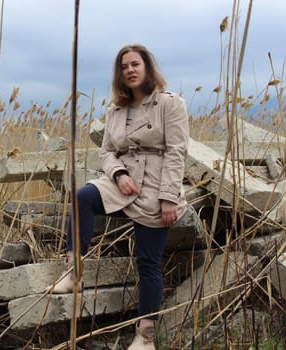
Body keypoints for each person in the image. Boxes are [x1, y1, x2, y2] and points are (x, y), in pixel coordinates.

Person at [46, 44, 189, 350]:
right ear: (119, 75)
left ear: (147, 68)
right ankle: (75, 272)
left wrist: (168, 197)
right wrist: (118, 175)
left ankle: (145, 337)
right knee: (82, 197)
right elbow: (107, 152)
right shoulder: (115, 110)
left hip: (155, 183)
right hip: (122, 179)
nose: (130, 70)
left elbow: (177, 153)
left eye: (136, 64)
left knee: (148, 262)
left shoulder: (170, 104)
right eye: (124, 67)